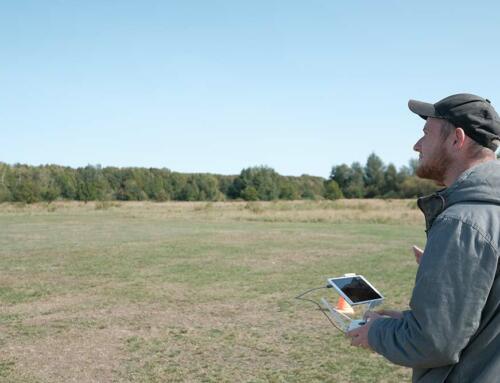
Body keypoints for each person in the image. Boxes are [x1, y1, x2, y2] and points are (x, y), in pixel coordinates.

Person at [346, 93, 500, 382]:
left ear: (457, 139)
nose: (417, 145)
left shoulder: (462, 223)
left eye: (426, 134)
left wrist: (376, 332)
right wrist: (406, 322)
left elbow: (433, 342)